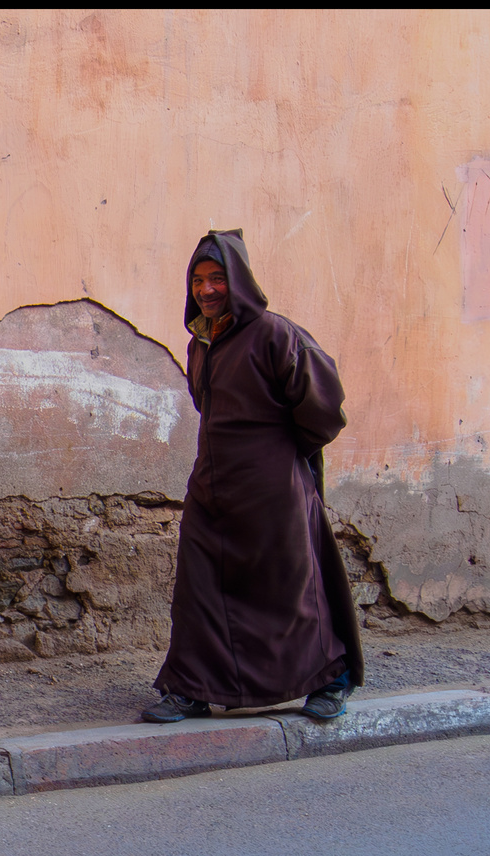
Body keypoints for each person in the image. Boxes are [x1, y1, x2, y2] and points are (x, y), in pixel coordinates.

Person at [142, 229, 365, 723]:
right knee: (201, 591)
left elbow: (324, 409)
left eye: (217, 278)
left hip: (273, 490)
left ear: (238, 281)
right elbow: (208, 406)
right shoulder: (202, 341)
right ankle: (191, 689)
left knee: (291, 589)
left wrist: (282, 456)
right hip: (212, 490)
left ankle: (330, 680)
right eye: (198, 280)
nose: (207, 290)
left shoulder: (275, 335)